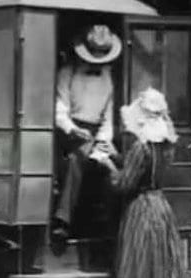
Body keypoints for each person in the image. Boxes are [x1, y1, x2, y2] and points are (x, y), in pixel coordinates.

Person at [100, 88, 191, 278]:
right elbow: (145, 172)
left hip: (141, 211)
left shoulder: (140, 148)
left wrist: (108, 163)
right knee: (160, 272)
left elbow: (124, 183)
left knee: (138, 272)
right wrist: (119, 157)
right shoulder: (166, 148)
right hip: (160, 208)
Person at [52, 25, 121, 243]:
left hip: (96, 133)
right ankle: (63, 220)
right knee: (77, 158)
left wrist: (102, 141)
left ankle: (108, 224)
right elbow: (59, 110)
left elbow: (109, 118)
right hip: (67, 132)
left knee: (112, 163)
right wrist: (73, 129)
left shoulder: (109, 78)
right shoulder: (67, 73)